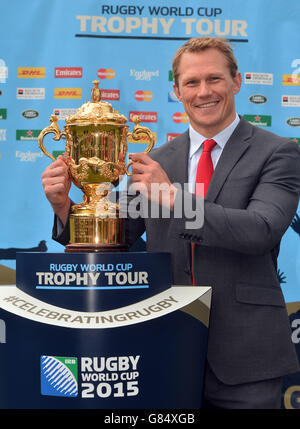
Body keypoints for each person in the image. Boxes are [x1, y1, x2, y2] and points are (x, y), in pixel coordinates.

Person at [42, 37, 300, 409]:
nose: (204, 92)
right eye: (192, 83)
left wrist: (174, 198)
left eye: (214, 79)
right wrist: (66, 206)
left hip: (247, 357)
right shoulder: (156, 159)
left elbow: (260, 230)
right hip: (166, 345)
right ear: (176, 91)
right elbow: (118, 237)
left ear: (237, 82)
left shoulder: (277, 152)